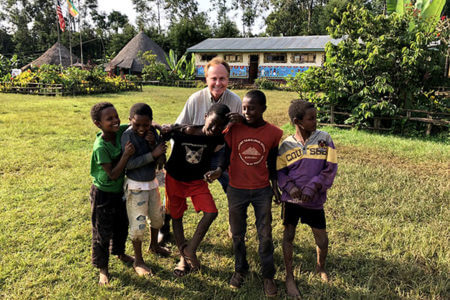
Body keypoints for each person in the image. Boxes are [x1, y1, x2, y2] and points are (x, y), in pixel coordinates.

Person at [206, 90, 283, 297]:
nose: (247, 112)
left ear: (263, 109)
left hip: (261, 191)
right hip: (236, 189)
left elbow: (272, 164)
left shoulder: (273, 133)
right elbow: (225, 155)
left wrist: (275, 189)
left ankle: (268, 275)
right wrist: (219, 171)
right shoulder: (234, 129)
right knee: (237, 234)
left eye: (252, 108)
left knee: (265, 235)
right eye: (245, 108)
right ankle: (240, 269)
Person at [159, 57, 242, 243]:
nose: (218, 83)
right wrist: (176, 159)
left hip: (219, 149)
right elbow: (179, 126)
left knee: (233, 186)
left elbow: (237, 134)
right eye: (214, 78)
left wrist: (240, 122)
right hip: (193, 148)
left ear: (229, 79)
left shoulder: (235, 101)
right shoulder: (195, 99)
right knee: (172, 190)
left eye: (223, 78)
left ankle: (234, 225)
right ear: (206, 79)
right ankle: (164, 227)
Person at [276, 100, 337, 298]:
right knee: (288, 236)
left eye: (316, 118)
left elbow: (330, 168)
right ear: (297, 121)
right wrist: (290, 187)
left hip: (314, 201)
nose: (315, 122)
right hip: (292, 202)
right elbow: (280, 172)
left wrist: (313, 187)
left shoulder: (324, 139)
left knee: (321, 237)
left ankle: (321, 267)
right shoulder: (286, 145)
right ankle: (289, 275)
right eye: (311, 119)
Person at [163, 103, 231, 277]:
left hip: (196, 182)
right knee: (176, 217)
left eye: (220, 127)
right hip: (175, 180)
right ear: (205, 116)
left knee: (211, 212)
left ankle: (190, 250)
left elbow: (226, 153)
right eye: (212, 123)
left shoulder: (218, 137)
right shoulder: (182, 131)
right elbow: (161, 132)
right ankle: (183, 259)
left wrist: (219, 170)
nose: (214, 129)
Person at [120, 103, 170, 277]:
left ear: (151, 122)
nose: (141, 129)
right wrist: (152, 154)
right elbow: (128, 165)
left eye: (146, 125)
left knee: (157, 218)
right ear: (130, 121)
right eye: (137, 125)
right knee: (138, 223)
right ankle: (138, 260)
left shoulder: (152, 134)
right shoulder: (127, 137)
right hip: (136, 187)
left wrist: (152, 145)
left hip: (152, 183)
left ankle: (154, 246)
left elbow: (161, 161)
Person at [89, 102, 135, 285]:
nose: (115, 121)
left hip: (119, 192)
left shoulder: (119, 132)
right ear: (97, 123)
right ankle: (103, 269)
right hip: (103, 194)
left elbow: (133, 124)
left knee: (122, 224)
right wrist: (126, 155)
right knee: (102, 231)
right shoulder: (100, 147)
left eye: (116, 116)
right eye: (109, 119)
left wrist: (156, 126)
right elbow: (114, 174)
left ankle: (120, 253)